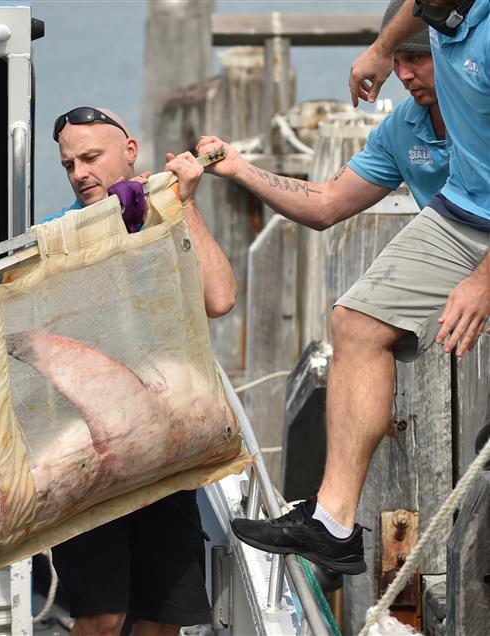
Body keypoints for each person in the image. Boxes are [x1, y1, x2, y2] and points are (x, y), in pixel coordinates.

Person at [226, 0, 489, 576]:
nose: (404, 73)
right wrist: (240, 168)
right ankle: (333, 524)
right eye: (398, 60)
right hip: (465, 214)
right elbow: (325, 204)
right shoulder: (410, 106)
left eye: (414, 59)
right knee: (356, 321)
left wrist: (483, 279)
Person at [47, 106, 237, 636]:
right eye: (68, 165)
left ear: (129, 151)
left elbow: (219, 297)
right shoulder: (57, 234)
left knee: (162, 620)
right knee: (101, 618)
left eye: (90, 157)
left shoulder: (167, 215)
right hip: (89, 452)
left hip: (165, 448)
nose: (80, 173)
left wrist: (184, 202)